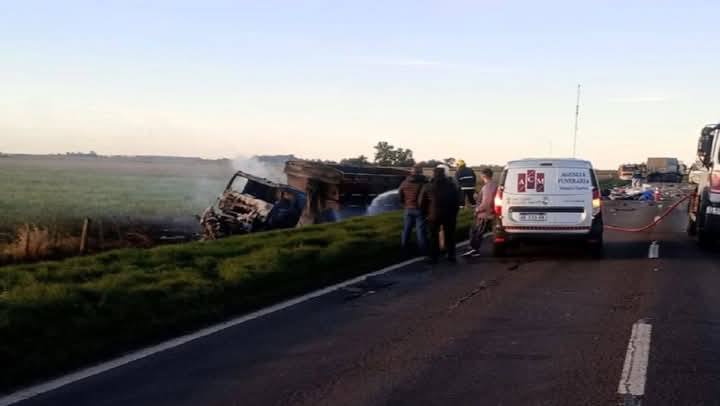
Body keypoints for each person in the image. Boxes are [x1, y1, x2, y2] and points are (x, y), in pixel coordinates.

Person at [419, 166, 461, 264]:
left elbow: (421, 202)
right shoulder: (451, 186)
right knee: (450, 235)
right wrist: (455, 213)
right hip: (449, 214)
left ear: (433, 174)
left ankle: (434, 257)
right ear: (444, 174)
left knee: (433, 236)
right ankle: (451, 255)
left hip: (433, 215)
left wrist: (426, 214)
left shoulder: (428, 186)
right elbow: (456, 201)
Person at [464, 168, 498, 257]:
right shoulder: (493, 185)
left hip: (484, 214)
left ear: (483, 175)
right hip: (489, 213)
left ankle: (474, 250)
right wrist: (477, 198)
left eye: (481, 175)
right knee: (477, 232)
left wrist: (477, 209)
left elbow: (487, 202)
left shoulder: (488, 187)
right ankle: (474, 249)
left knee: (476, 232)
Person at [398, 165, 428, 253]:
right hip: (420, 209)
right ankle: (423, 250)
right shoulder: (424, 182)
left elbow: (400, 194)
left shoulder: (405, 182)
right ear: (421, 172)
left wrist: (404, 204)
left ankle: (404, 249)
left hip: (408, 208)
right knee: (421, 231)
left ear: (412, 172)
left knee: (406, 230)